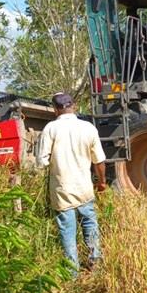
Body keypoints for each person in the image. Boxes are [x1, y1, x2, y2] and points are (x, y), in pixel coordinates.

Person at [37, 92, 107, 276]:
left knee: (67, 233)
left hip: (62, 192)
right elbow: (99, 161)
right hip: (84, 190)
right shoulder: (88, 128)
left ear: (55, 109)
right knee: (90, 225)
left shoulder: (50, 129)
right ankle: (95, 264)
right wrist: (102, 183)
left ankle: (72, 274)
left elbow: (41, 162)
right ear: (73, 105)